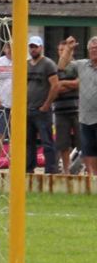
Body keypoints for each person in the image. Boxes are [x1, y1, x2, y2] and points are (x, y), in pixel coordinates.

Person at [60, 35, 97, 175]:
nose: (95, 50)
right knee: (89, 151)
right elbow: (62, 66)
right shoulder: (81, 65)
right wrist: (68, 49)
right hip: (85, 117)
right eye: (92, 48)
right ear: (88, 51)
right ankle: (94, 180)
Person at [25, 35, 60, 174]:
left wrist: (46, 105)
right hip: (28, 109)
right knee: (28, 142)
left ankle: (50, 170)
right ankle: (28, 169)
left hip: (42, 110)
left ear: (41, 48)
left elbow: (55, 86)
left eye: (35, 46)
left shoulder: (48, 64)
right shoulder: (26, 64)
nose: (33, 49)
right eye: (31, 46)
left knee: (47, 142)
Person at [53, 37, 81, 173]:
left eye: (64, 50)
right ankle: (66, 170)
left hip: (78, 110)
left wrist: (63, 84)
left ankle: (87, 169)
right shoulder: (54, 68)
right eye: (60, 50)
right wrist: (71, 85)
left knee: (83, 142)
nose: (62, 52)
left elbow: (80, 84)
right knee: (63, 143)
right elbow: (54, 88)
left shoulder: (79, 66)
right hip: (60, 111)